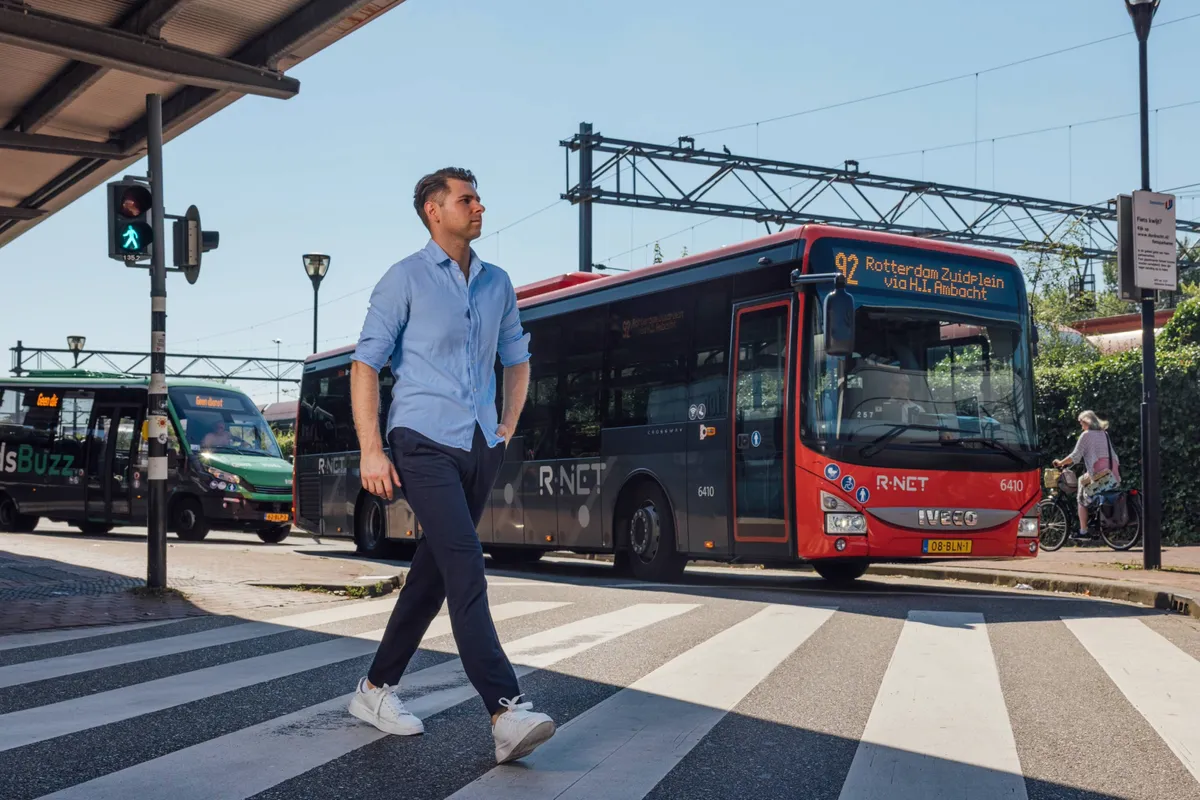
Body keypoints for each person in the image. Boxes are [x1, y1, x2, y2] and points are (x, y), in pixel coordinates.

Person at [345, 167, 555, 764]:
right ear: (434, 211)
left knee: (432, 575)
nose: (479, 206)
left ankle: (374, 689)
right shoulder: (404, 279)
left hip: (479, 444)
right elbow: (365, 366)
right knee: (465, 564)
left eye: (479, 197)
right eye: (466, 199)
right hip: (420, 441)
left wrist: (506, 428)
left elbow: (518, 358)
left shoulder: (498, 283)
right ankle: (506, 710)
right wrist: (371, 450)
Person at [1053, 410, 1120, 537]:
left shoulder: (1086, 435)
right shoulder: (1104, 434)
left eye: (1081, 422)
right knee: (1085, 482)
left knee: (1081, 496)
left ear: (1086, 422)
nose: (1080, 425)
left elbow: (1075, 456)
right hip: (1112, 473)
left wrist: (1060, 463)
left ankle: (1083, 530)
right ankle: (1094, 514)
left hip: (1098, 475)